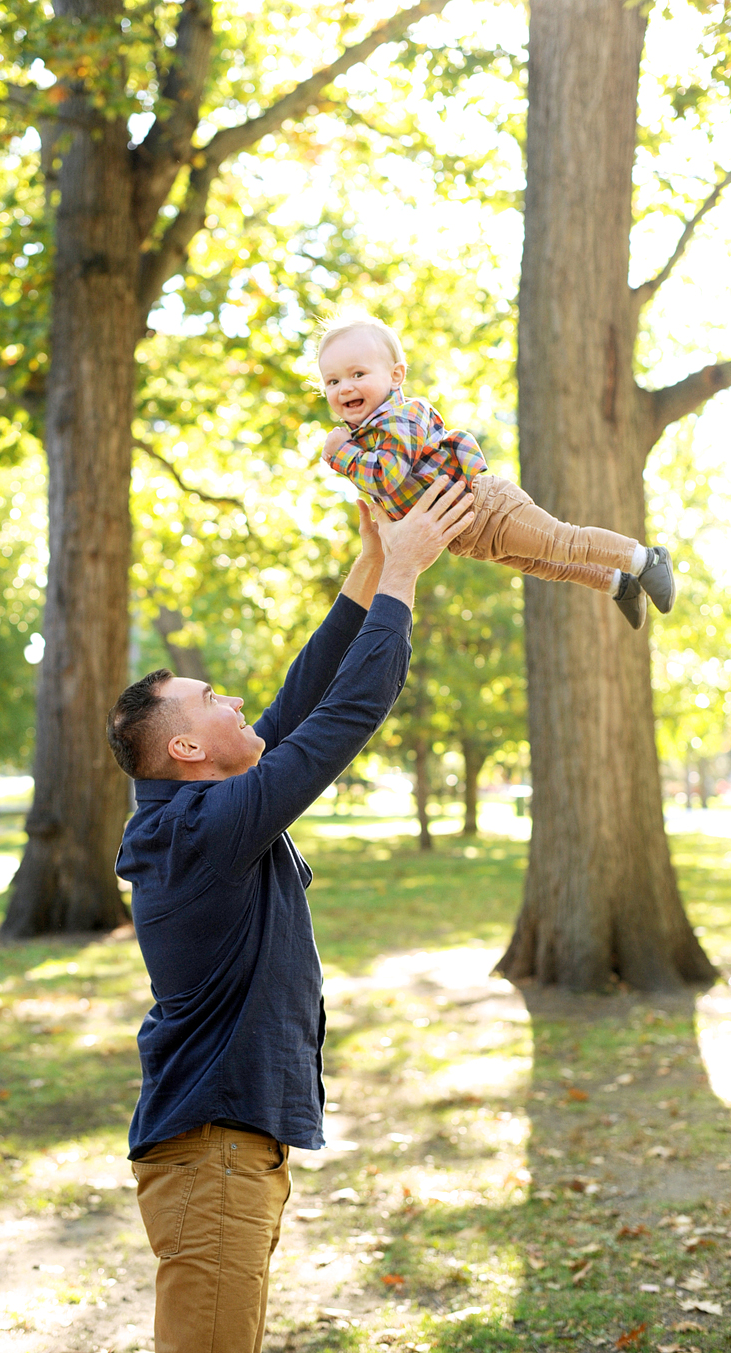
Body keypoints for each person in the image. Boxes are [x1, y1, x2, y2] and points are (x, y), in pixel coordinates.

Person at [105, 483, 473, 1353]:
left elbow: (303, 694)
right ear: (188, 748)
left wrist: (375, 556)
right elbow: (342, 717)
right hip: (213, 1159)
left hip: (229, 1154)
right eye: (214, 699)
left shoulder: (203, 808)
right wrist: (407, 577)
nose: (238, 703)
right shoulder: (204, 829)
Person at [318, 313, 676, 630]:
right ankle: (620, 583)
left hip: (485, 507)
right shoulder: (365, 440)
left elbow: (387, 476)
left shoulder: (401, 417)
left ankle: (645, 558)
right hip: (465, 535)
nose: (344, 387)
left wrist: (341, 455)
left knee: (561, 541)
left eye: (357, 374)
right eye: (332, 382)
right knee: (548, 564)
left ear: (396, 375)